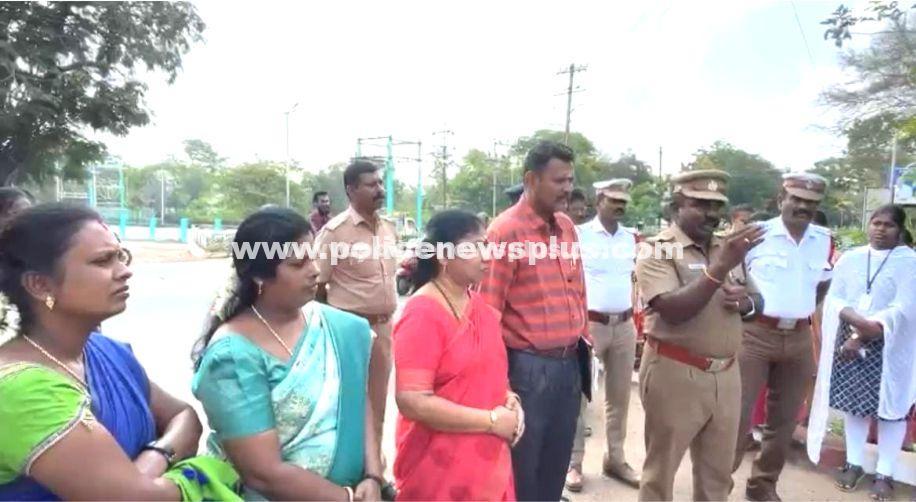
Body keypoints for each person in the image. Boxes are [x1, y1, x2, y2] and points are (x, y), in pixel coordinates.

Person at [0, 204, 238, 500]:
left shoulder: (103, 351)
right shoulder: (20, 390)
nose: (124, 271)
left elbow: (185, 417)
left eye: (121, 256)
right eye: (103, 261)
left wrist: (150, 462)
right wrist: (184, 475)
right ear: (39, 284)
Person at [192, 206, 383, 501]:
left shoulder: (337, 328)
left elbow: (358, 401)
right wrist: (345, 497)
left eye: (313, 257)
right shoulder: (231, 357)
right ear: (259, 277)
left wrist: (372, 475)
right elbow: (263, 473)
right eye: (298, 264)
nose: (315, 270)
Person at [636, 170, 765, 501]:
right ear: (678, 204)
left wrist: (748, 302)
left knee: (718, 476)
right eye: (700, 204)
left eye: (716, 206)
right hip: (675, 371)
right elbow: (673, 310)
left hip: (726, 374)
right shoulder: (658, 250)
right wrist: (719, 267)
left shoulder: (727, 246)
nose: (711, 213)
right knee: (660, 475)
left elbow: (758, 301)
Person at [477, 140, 588, 501]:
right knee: (523, 471)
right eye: (559, 180)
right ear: (531, 179)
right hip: (526, 371)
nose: (568, 189)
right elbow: (487, 314)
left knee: (555, 467)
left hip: (569, 366)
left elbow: (578, 291)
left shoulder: (568, 228)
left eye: (570, 180)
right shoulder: (504, 232)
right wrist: (501, 384)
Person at [393, 209, 524, 501]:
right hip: (439, 469)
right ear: (443, 256)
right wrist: (491, 420)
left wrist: (511, 400)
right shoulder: (422, 314)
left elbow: (489, 372)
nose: (486, 255)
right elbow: (413, 401)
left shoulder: (477, 304)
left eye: (486, 244)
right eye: (475, 246)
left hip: (486, 459)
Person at [732, 173, 834, 501]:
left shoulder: (823, 239)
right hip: (755, 334)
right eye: (797, 200)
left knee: (784, 421)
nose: (803, 207)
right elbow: (732, 278)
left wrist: (799, 308)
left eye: (811, 203)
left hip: (800, 337)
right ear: (781, 201)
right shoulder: (756, 235)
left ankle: (762, 484)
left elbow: (822, 282)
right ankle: (718, 481)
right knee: (737, 414)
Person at [807, 205, 916, 501]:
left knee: (891, 412)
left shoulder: (910, 262)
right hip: (850, 343)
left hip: (891, 346)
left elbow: (905, 307)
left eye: (888, 225)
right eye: (876, 223)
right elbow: (835, 299)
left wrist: (870, 328)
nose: (880, 229)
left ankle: (885, 473)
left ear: (900, 229)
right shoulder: (852, 259)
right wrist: (855, 325)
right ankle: (854, 463)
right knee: (854, 406)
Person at [315, 160, 398, 457]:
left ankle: (375, 472)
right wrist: (336, 327)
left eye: (380, 183)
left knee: (377, 405)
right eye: (371, 184)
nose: (380, 189)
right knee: (347, 405)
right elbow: (316, 286)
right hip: (349, 331)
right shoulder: (334, 233)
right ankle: (347, 471)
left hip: (384, 330)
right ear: (351, 190)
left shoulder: (389, 229)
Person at [566, 179, 641, 492]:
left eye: (623, 201)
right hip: (590, 325)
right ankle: (574, 464)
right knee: (580, 396)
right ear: (600, 201)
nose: (620, 206)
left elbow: (634, 278)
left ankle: (616, 458)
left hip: (623, 325)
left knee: (619, 398)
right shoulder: (578, 235)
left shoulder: (631, 238)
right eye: (614, 200)